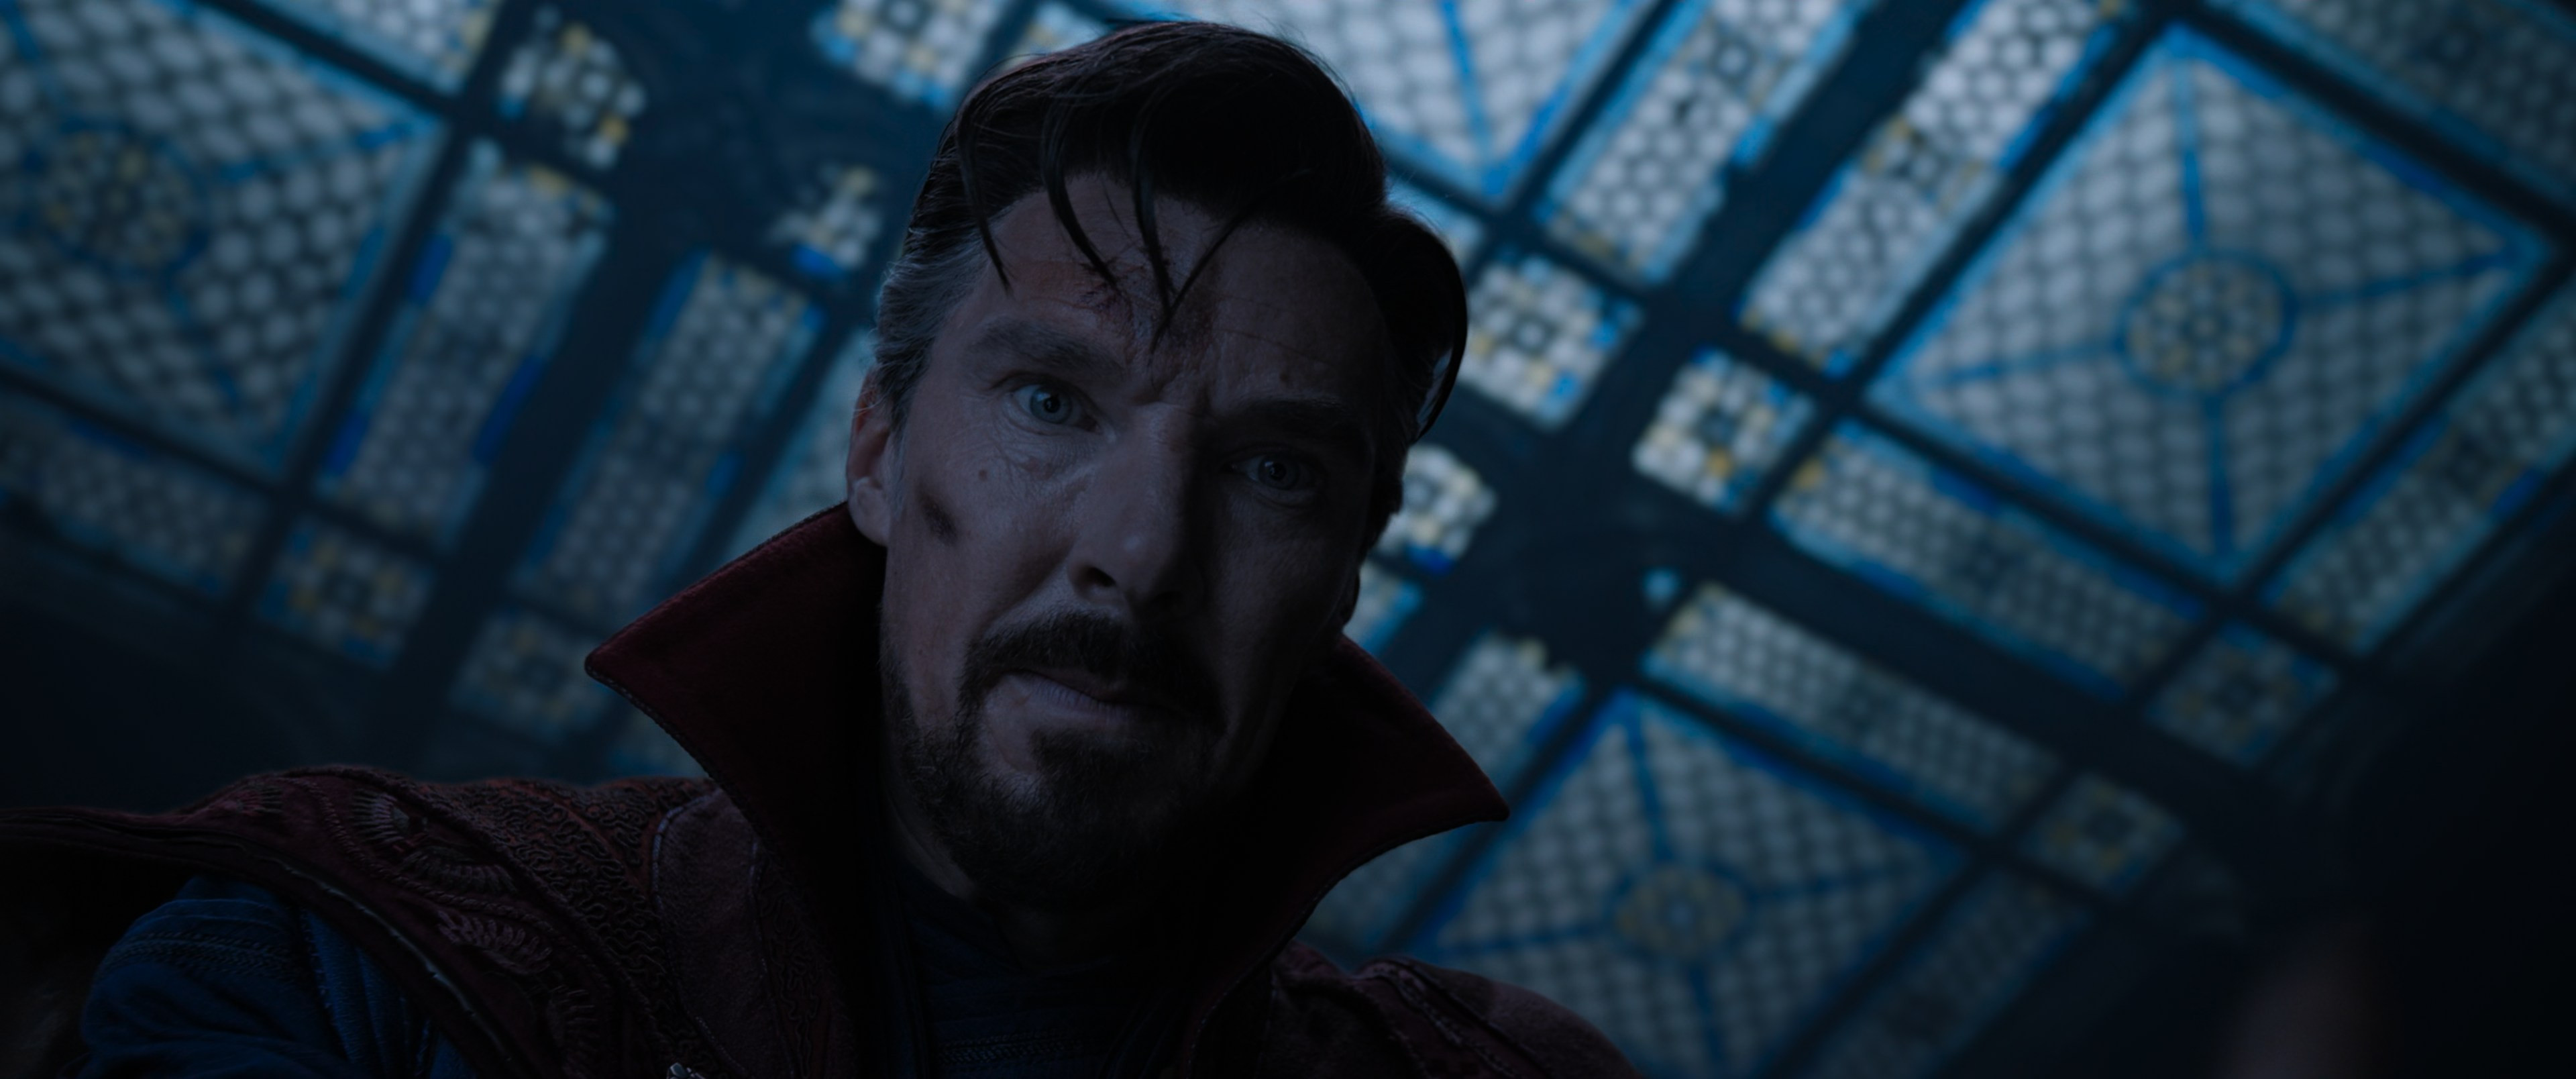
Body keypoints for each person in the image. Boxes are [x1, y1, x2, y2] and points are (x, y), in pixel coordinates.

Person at [0, 20, 1638, 1079]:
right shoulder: (351, 959)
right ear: (875, 451)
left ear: (1346, 572)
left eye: (1275, 470)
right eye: (1053, 399)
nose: (1140, 557)